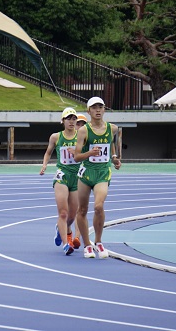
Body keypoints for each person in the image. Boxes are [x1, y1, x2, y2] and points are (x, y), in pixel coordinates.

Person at [74, 96, 121, 259]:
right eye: (94, 107)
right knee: (82, 210)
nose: (98, 110)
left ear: (105, 109)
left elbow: (111, 144)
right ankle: (87, 245)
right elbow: (76, 156)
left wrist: (114, 158)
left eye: (100, 107)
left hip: (102, 172)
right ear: (89, 111)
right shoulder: (83, 131)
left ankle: (98, 241)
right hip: (86, 173)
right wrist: (89, 153)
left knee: (99, 207)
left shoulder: (113, 128)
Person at [39, 107, 79, 256]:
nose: (71, 121)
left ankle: (59, 228)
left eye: (74, 118)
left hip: (77, 177)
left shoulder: (81, 136)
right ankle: (65, 244)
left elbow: (86, 154)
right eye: (68, 118)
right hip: (62, 175)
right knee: (63, 213)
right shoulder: (56, 137)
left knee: (72, 216)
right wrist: (44, 165)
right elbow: (48, 152)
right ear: (62, 121)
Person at [72, 113, 88, 249]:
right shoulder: (66, 137)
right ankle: (63, 228)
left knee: (79, 209)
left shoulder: (87, 139)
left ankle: (77, 237)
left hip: (81, 175)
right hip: (67, 177)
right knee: (68, 211)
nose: (80, 126)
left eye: (83, 124)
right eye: (78, 123)